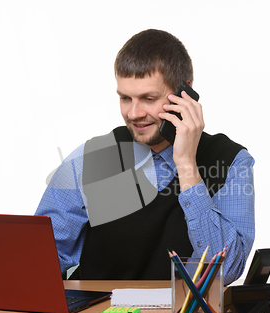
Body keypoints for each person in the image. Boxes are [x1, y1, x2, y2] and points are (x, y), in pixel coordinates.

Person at [35, 29, 255, 285]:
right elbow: (39, 258)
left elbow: (224, 271)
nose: (134, 113)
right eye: (125, 98)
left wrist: (186, 166)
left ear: (185, 93)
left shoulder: (231, 161)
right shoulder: (91, 158)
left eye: (148, 98)